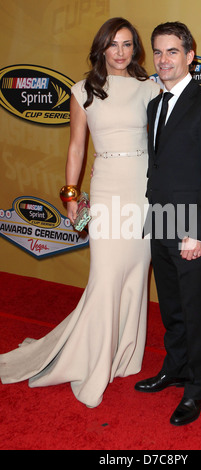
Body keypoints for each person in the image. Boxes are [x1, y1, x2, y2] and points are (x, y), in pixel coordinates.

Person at [0, 18, 160, 408]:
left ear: (135, 49)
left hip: (143, 190)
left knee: (137, 274)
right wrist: (71, 199)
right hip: (106, 187)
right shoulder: (82, 90)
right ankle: (92, 358)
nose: (121, 52)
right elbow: (76, 147)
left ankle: (124, 354)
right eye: (113, 44)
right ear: (101, 47)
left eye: (127, 44)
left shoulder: (150, 87)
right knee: (106, 275)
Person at [135, 22, 201, 426]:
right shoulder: (155, 106)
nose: (163, 60)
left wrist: (198, 233)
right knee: (172, 307)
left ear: (190, 55)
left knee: (194, 311)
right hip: (160, 220)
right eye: (158, 52)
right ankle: (174, 368)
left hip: (192, 227)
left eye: (172, 51)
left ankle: (197, 386)